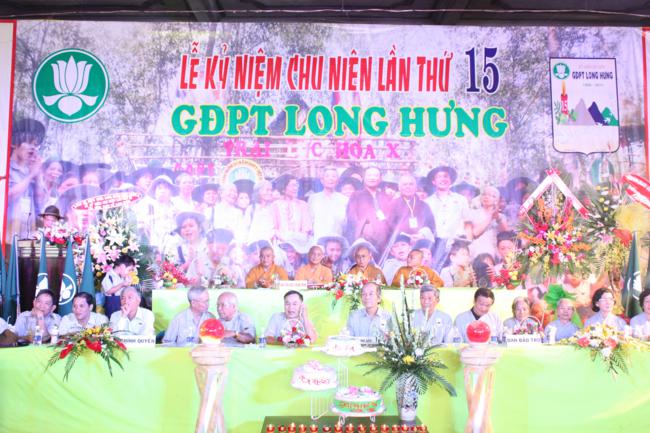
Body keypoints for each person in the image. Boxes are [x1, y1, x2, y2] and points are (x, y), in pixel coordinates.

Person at [424, 166, 469, 270]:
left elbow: (467, 222)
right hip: (436, 244)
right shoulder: (427, 202)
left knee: (457, 272)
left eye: (445, 176)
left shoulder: (461, 200)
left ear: (450, 180)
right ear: (434, 181)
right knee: (436, 271)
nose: (443, 179)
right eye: (439, 177)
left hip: (456, 243)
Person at [7, 118, 45, 238]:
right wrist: (31, 175)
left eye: (35, 144)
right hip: (6, 237)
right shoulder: (5, 168)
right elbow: (8, 196)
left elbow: (41, 205)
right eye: (28, 142)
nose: (33, 148)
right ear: (14, 143)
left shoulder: (32, 171)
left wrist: (38, 176)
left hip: (27, 237)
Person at [345, 166, 392, 255]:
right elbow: (352, 217)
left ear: (380, 179)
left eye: (375, 175)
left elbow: (391, 218)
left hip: (383, 241)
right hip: (364, 239)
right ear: (364, 178)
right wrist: (363, 228)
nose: (372, 178)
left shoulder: (385, 197)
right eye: (369, 175)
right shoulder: (356, 195)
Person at [388, 174, 436, 243]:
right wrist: (406, 237)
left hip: (421, 241)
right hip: (401, 242)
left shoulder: (424, 205)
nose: (408, 187)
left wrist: (422, 235)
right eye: (405, 184)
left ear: (416, 188)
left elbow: (431, 225)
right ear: (399, 188)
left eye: (411, 184)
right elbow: (389, 226)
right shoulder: (393, 204)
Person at [467, 186, 509, 259]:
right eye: (484, 194)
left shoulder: (501, 216)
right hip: (478, 250)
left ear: (497, 200)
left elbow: (506, 234)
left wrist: (498, 218)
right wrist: (490, 217)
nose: (486, 197)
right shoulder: (473, 213)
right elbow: (474, 233)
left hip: (496, 252)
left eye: (490, 195)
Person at [308, 167, 349, 240]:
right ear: (322, 180)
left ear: (338, 180)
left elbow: (346, 224)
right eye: (327, 176)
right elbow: (309, 221)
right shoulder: (313, 198)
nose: (331, 179)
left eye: (334, 176)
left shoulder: (344, 200)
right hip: (318, 240)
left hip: (337, 240)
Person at [271, 175, 312, 242]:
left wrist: (297, 238)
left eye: (296, 185)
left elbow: (306, 228)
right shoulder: (275, 205)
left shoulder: (302, 204)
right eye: (292, 185)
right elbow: (273, 228)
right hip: (281, 243)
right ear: (283, 188)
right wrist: (285, 238)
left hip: (300, 243)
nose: (295, 188)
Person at [101, 254, 136, 318]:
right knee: (113, 320)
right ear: (122, 266)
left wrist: (128, 284)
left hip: (121, 303)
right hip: (112, 304)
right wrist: (122, 284)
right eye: (129, 270)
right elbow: (108, 291)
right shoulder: (109, 276)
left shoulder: (122, 277)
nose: (129, 272)